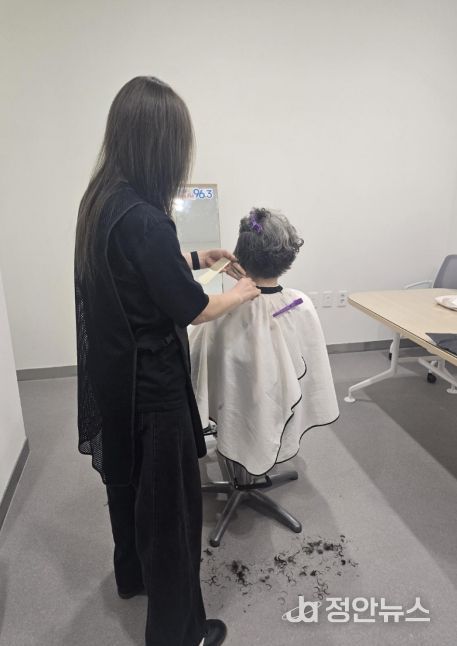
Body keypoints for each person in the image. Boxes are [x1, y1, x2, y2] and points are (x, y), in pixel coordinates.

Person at [74, 76, 260, 646]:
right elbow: (193, 308)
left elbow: (138, 265)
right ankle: (182, 633)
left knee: (128, 489)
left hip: (114, 379)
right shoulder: (148, 219)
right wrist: (242, 292)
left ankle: (133, 576)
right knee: (171, 513)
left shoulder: (103, 201)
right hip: (153, 392)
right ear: (160, 145)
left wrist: (197, 256)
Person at [189, 208, 339, 476]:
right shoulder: (301, 303)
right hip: (275, 396)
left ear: (240, 254)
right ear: (289, 257)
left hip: (232, 401)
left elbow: (197, 360)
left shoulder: (221, 308)